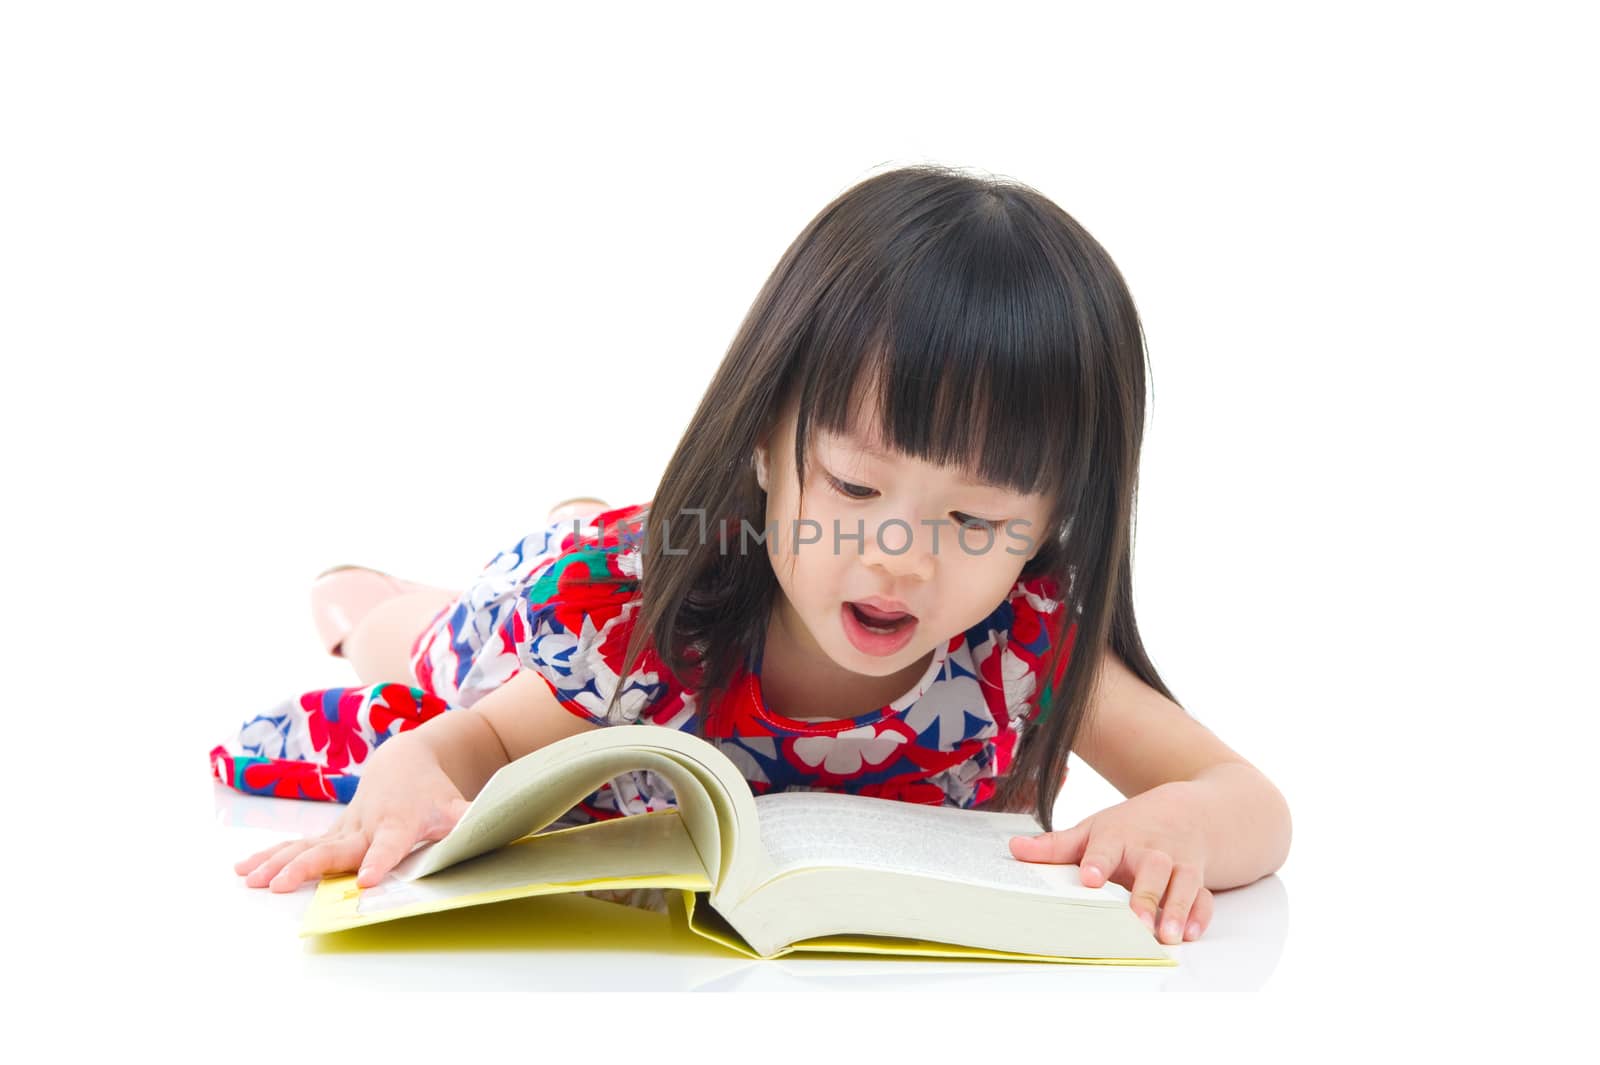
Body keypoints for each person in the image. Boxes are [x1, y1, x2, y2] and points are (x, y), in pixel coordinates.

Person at [215, 164, 1292, 947]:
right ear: (767, 447)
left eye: (975, 524)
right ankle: (370, 601)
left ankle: (578, 510)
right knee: (435, 647)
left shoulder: (1028, 645)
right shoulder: (626, 630)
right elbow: (465, 744)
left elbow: (1251, 802)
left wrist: (1179, 819)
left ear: (1055, 517)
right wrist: (408, 774)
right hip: (606, 592)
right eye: (858, 489)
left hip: (688, 553)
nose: (900, 559)